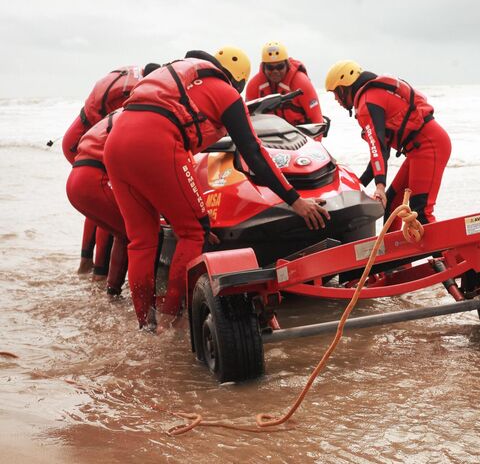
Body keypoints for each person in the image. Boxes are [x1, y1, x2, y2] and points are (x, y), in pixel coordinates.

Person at [104, 47, 330, 330]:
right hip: (158, 142)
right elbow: (254, 152)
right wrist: (295, 200)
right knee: (194, 231)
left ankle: (146, 326)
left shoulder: (176, 82)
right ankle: (172, 319)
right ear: (238, 81)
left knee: (141, 241)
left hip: (115, 145)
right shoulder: (225, 92)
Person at [325, 60, 451, 230]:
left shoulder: (367, 103)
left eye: (335, 93)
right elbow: (382, 150)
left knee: (421, 212)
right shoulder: (371, 95)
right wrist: (359, 186)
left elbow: (377, 147)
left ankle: (450, 248)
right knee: (391, 203)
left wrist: (380, 186)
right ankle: (392, 247)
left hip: (429, 145)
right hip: (418, 149)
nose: (336, 99)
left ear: (344, 88)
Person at [62, 63, 160, 275]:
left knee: (102, 207)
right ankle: (98, 271)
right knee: (112, 206)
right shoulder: (136, 95)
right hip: (83, 146)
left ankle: (87, 265)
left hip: (77, 139)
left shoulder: (132, 79)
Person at [65, 111, 129, 296]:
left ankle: (90, 270)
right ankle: (106, 284)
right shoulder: (147, 114)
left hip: (78, 161)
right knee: (135, 232)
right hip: (93, 173)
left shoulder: (126, 110)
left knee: (108, 221)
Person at [245, 41, 324, 126]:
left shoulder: (302, 82)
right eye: (270, 67)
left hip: (300, 131)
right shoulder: (254, 86)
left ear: (287, 65)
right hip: (267, 132)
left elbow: (317, 121)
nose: (275, 71)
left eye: (280, 66)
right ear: (263, 67)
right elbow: (247, 121)